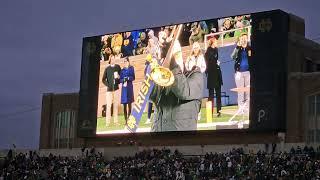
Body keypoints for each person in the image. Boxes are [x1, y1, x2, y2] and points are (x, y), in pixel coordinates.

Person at [150, 40, 204, 132]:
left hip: (182, 143)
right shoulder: (163, 78)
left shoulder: (195, 75)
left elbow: (183, 91)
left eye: (174, 56)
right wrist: (151, 74)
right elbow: (151, 96)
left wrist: (171, 63)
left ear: (180, 56)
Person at [231, 33, 251, 114]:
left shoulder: (249, 48)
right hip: (239, 73)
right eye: (242, 38)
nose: (244, 40)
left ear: (247, 39)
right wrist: (237, 47)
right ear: (240, 40)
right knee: (240, 91)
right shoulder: (238, 48)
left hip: (248, 72)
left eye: (245, 38)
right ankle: (240, 109)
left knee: (247, 91)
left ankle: (247, 109)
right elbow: (232, 57)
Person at [205, 37, 223, 117]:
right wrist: (215, 63)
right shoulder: (208, 52)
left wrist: (217, 64)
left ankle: (219, 111)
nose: (216, 43)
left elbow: (216, 60)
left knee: (218, 94)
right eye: (215, 42)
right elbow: (208, 63)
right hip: (211, 75)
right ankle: (210, 113)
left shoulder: (216, 50)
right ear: (212, 42)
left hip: (217, 74)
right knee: (211, 95)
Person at [102, 54, 121, 126]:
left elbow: (120, 77)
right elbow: (103, 79)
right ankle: (107, 122)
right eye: (112, 59)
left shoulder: (118, 67)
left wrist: (119, 78)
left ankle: (116, 122)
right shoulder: (107, 69)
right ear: (110, 60)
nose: (113, 60)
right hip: (109, 90)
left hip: (116, 89)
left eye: (114, 58)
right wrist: (108, 85)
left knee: (115, 106)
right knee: (109, 106)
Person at [120, 57, 135, 124]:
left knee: (129, 104)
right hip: (124, 88)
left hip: (129, 87)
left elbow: (133, 77)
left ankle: (129, 118)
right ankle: (126, 120)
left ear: (128, 62)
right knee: (124, 104)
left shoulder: (131, 68)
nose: (125, 62)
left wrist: (128, 78)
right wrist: (123, 80)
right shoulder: (122, 70)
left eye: (126, 61)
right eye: (124, 61)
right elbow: (120, 79)